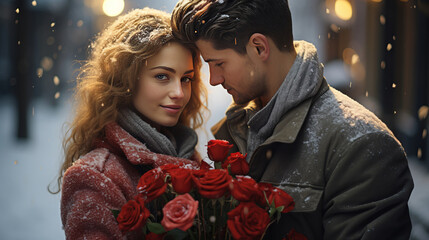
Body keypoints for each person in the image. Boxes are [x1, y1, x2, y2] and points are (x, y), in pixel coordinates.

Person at [171, 0, 414, 239]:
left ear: (259, 47)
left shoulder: (363, 144)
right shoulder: (238, 128)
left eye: (219, 63)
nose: (213, 79)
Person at [58, 8, 207, 239]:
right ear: (125, 79)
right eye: (162, 76)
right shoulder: (95, 177)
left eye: (186, 78)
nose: (179, 92)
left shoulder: (187, 153)